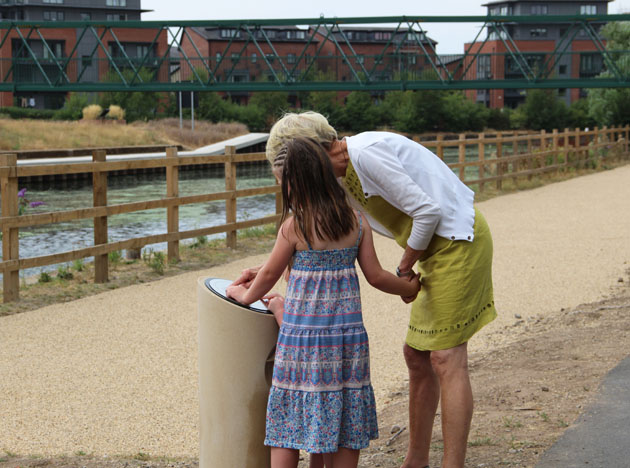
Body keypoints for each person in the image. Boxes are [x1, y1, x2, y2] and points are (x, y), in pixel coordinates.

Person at [233, 111, 498, 468]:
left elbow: (426, 211)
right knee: (417, 357)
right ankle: (416, 460)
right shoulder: (342, 193)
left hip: (456, 243)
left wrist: (404, 271)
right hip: (424, 261)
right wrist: (269, 267)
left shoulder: (367, 154)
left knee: (445, 358)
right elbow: (329, 251)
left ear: (309, 156)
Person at [227, 137, 421, 468]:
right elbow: (375, 276)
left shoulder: (295, 226)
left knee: (288, 421)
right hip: (346, 343)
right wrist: (407, 287)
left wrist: (244, 295)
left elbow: (271, 273)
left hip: (301, 347)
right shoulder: (356, 221)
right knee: (343, 418)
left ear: (295, 183)